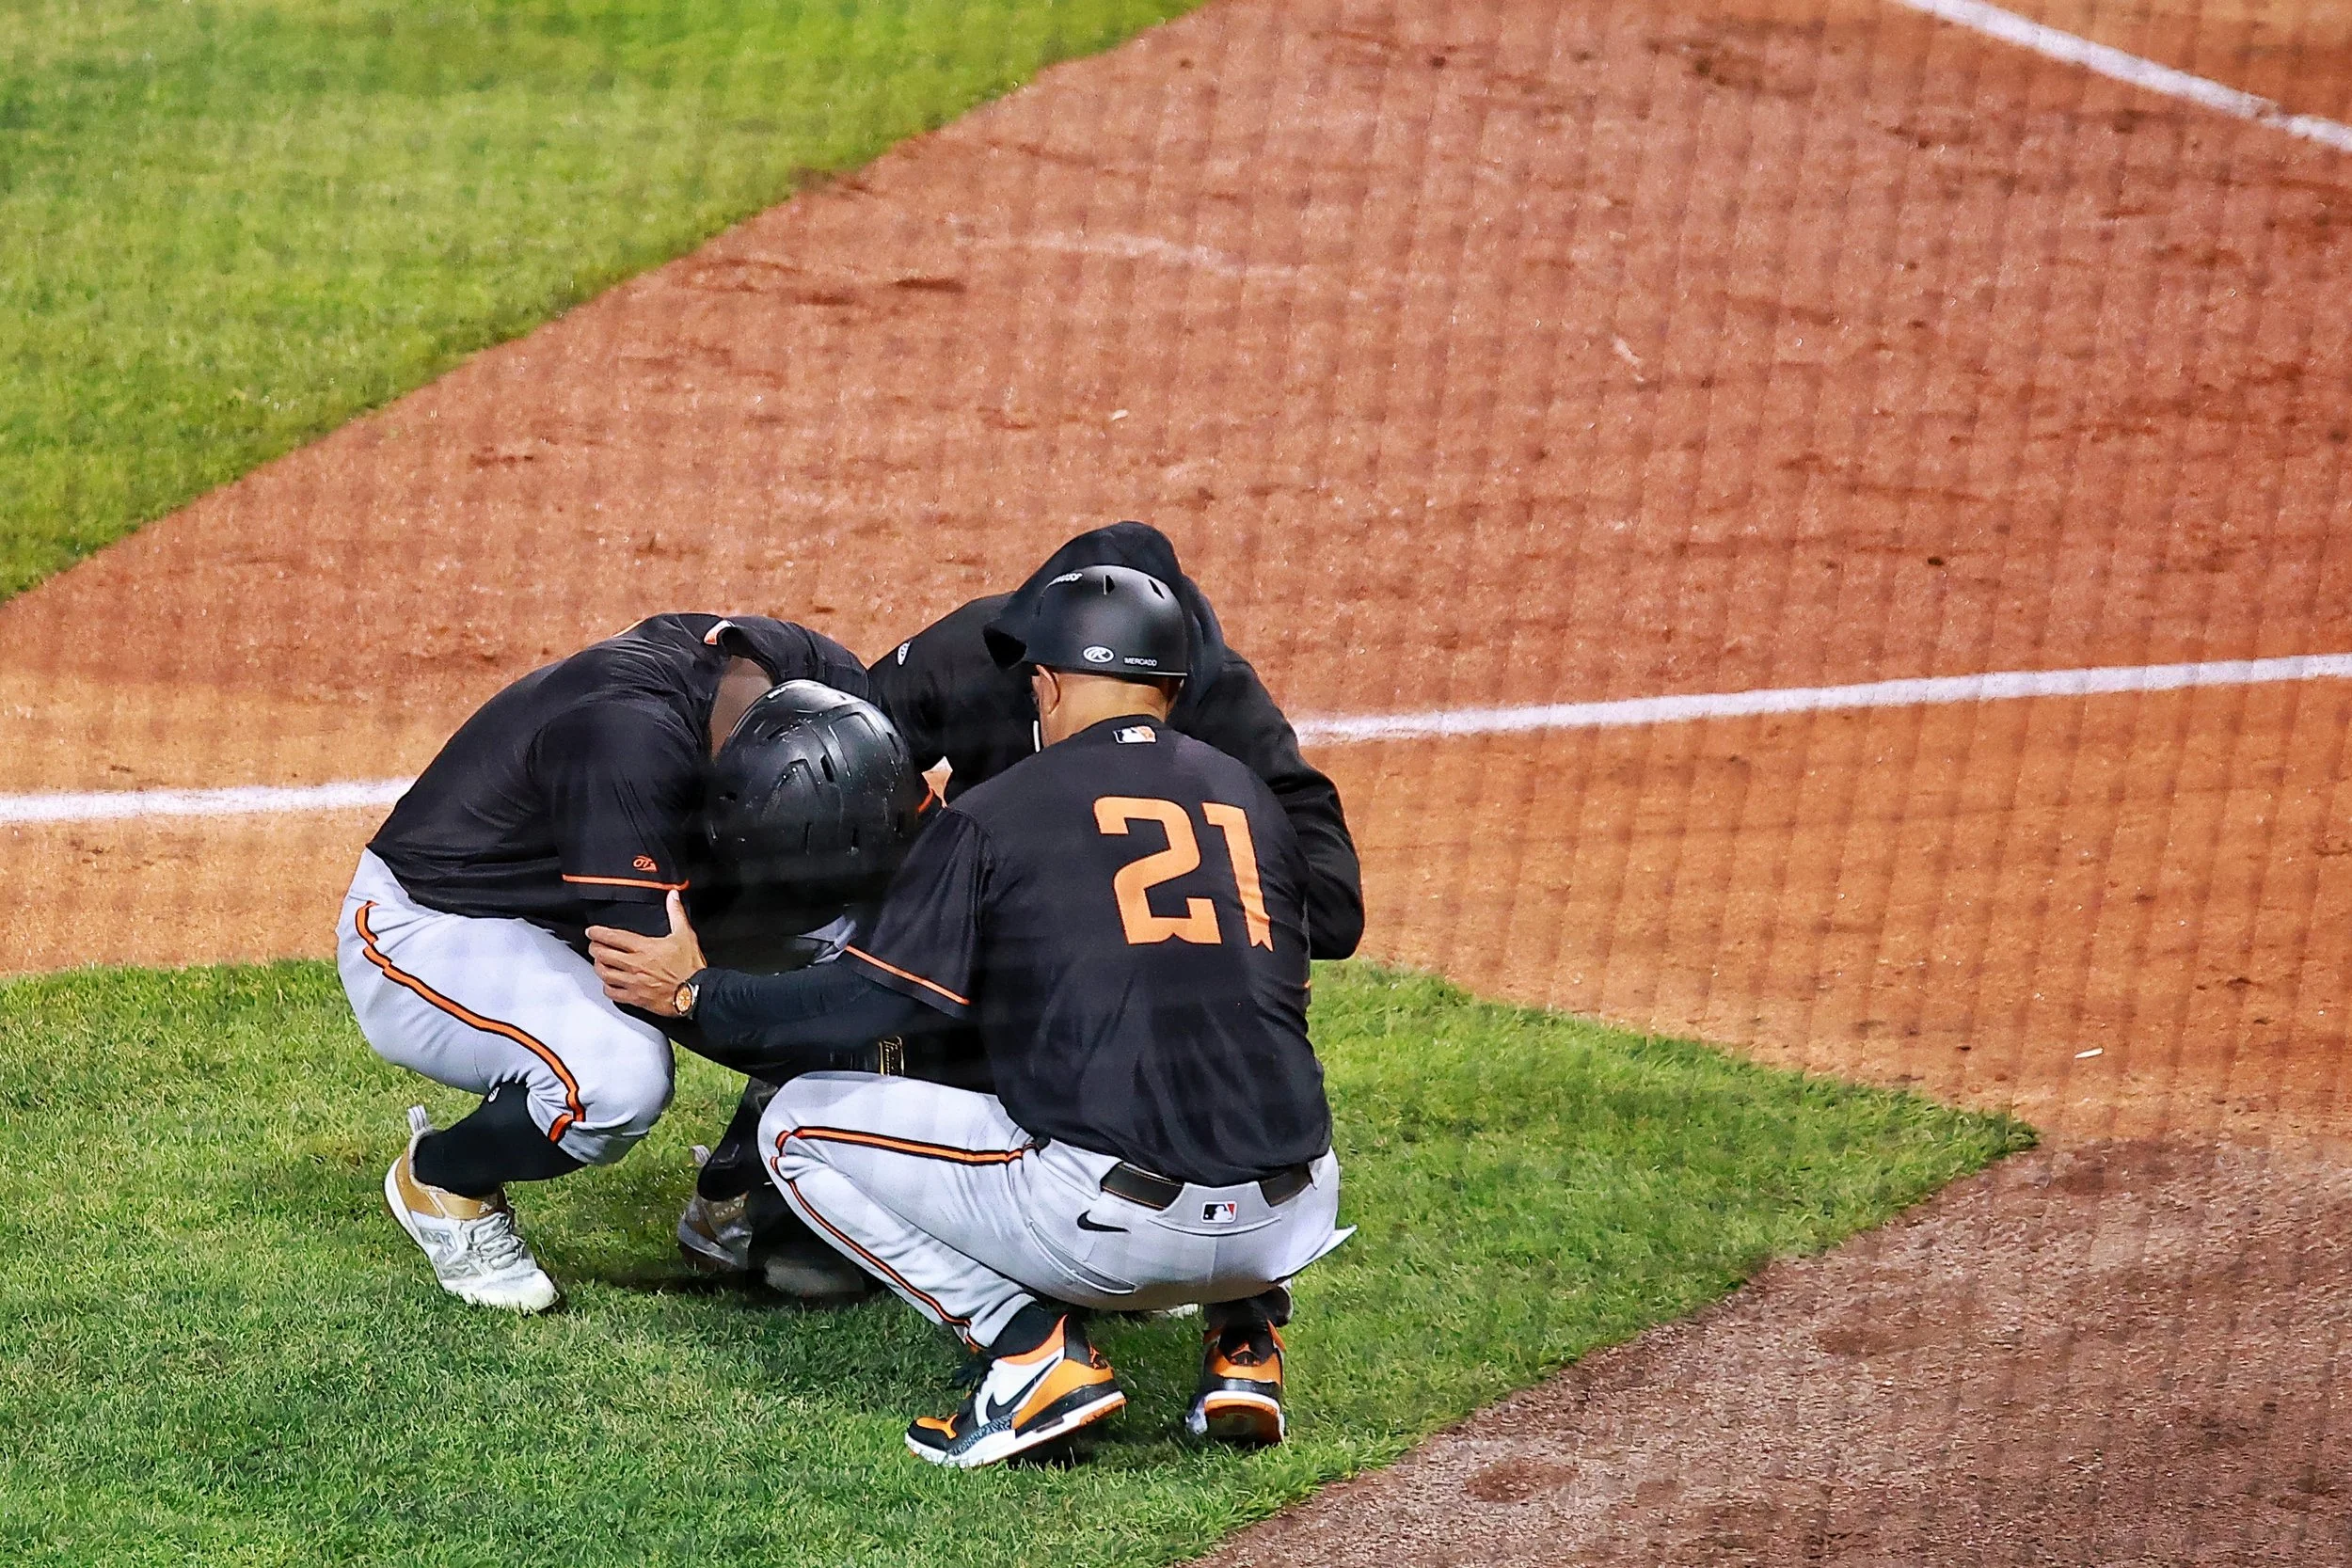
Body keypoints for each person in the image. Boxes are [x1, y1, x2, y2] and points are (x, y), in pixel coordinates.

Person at [590, 567, 1350, 1468]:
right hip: (1295, 1217)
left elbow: (873, 1001)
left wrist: (697, 994)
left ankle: (1028, 1354)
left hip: (1116, 1232)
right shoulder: (1250, 798)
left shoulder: (1003, 810)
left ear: (1053, 682)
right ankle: (1247, 1348)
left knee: (795, 1131)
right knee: (1223, 1040)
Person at [681, 522, 1364, 1298]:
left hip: (1082, 990)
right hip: (1272, 1181)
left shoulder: (1219, 702)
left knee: (1175, 992)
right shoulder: (982, 653)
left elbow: (1334, 913)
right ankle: (772, 1186)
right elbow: (825, 755)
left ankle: (1032, 1323)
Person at [339, 612, 925, 1312]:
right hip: (439, 923)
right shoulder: (624, 744)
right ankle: (442, 1178)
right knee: (616, 1080)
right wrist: (836, 1017)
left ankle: (737, 1199)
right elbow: (657, 980)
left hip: (595, 900)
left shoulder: (823, 684)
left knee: (878, 948)